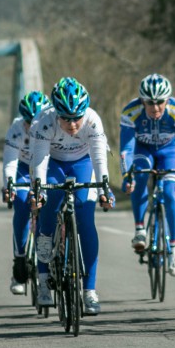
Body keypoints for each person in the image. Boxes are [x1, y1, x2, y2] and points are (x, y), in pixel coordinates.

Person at [30, 77, 114, 315]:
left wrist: (104, 189)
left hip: (82, 163)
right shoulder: (43, 122)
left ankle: (89, 291)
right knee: (48, 206)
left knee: (86, 220)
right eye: (65, 118)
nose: (72, 124)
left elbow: (99, 159)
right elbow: (40, 162)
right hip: (53, 164)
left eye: (77, 117)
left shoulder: (93, 120)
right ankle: (44, 280)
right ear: (55, 113)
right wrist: (39, 190)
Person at [119, 73, 175, 277]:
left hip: (169, 152)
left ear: (168, 100)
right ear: (142, 100)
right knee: (139, 175)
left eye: (160, 102)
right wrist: (126, 175)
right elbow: (126, 149)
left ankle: (174, 249)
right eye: (150, 103)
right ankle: (140, 229)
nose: (156, 108)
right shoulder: (131, 112)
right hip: (143, 150)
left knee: (169, 193)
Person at [1, 90, 51, 296]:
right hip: (23, 169)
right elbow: (10, 161)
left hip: (46, 167)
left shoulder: (52, 125)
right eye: (30, 122)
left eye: (38, 121)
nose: (33, 127)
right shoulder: (16, 129)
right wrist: (9, 186)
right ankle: (20, 261)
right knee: (22, 204)